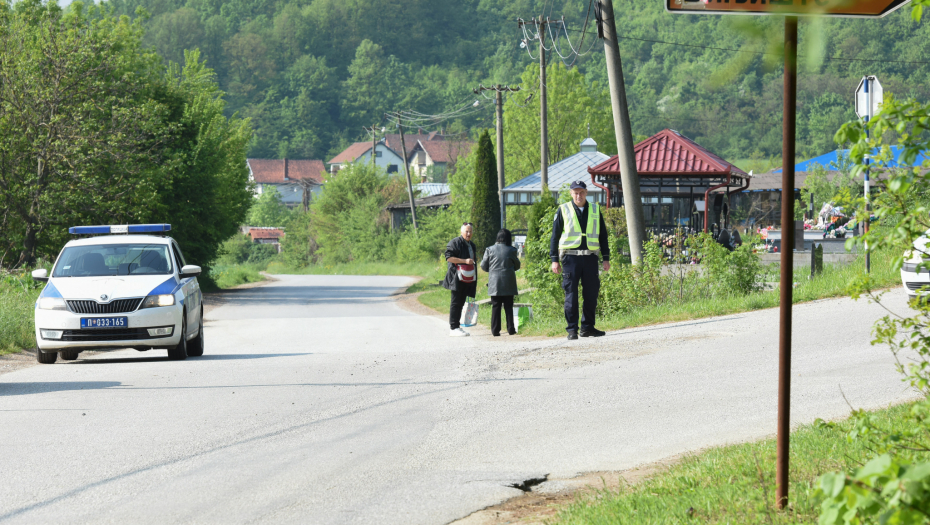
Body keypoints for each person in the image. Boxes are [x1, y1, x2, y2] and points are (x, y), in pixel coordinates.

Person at [549, 181, 610, 340]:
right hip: (570, 258)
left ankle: (587, 328)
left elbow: (603, 236)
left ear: (586, 192)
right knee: (571, 295)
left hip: (590, 258)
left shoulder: (596, 210)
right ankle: (572, 330)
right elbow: (554, 237)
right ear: (571, 193)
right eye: (575, 192)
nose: (578, 195)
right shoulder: (563, 210)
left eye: (581, 192)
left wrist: (606, 258)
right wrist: (554, 260)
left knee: (591, 294)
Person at [481, 229, 521, 336]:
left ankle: (495, 330)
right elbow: (517, 266)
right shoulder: (512, 250)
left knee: (496, 306)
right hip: (509, 282)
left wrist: (493, 270)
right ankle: (511, 329)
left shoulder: (489, 249)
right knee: (508, 306)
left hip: (495, 283)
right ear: (508, 238)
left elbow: (483, 266)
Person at [443, 222, 478, 337]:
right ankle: (453, 327)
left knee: (462, 302)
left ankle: (457, 326)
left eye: (470, 231)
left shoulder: (471, 245)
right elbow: (449, 258)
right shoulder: (455, 242)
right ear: (461, 232)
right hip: (456, 277)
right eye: (466, 231)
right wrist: (464, 261)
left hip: (467, 278)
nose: (468, 233)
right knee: (455, 302)